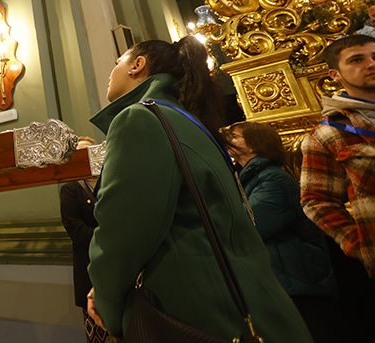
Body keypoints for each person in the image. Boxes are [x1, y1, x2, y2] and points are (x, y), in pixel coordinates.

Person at [86, 38, 311, 341]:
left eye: (117, 64)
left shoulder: (139, 119)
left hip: (199, 310)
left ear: (137, 65)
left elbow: (123, 231)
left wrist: (106, 302)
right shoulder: (187, 119)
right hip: (253, 300)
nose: (110, 73)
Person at [225, 122, 343, 343]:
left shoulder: (272, 179)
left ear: (255, 144)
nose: (229, 141)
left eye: (235, 137)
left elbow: (253, 225)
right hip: (289, 281)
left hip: (299, 283)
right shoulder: (254, 179)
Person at [300, 33, 375, 338]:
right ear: (335, 74)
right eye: (357, 59)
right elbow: (315, 200)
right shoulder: (329, 133)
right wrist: (361, 246)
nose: (371, 64)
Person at [60, 181, 107, 343]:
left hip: (117, 271)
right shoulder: (71, 189)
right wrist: (110, 237)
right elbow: (75, 229)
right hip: (88, 271)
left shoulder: (111, 179)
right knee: (98, 335)